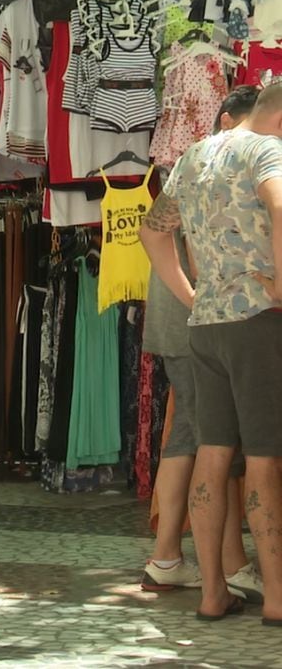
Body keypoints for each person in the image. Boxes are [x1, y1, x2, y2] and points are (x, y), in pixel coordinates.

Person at [140, 82, 282, 623]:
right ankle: (276, 598)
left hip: (207, 324)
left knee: (213, 453)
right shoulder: (268, 150)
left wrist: (191, 295)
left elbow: (154, 234)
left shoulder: (196, 153)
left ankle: (211, 592)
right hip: (258, 322)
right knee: (267, 459)